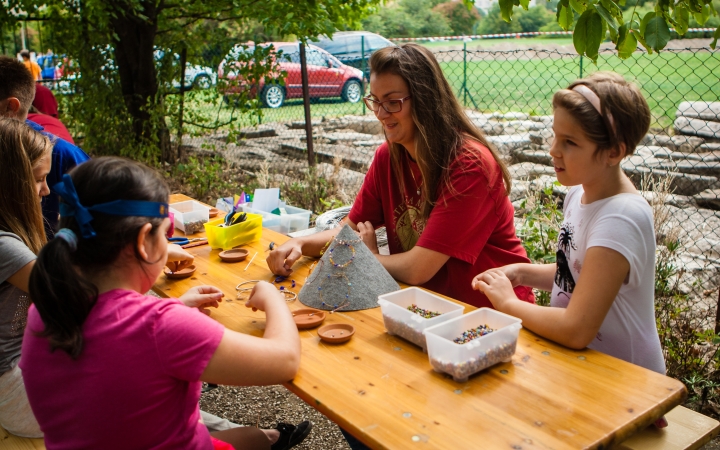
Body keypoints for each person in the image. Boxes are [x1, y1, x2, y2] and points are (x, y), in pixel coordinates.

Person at [21, 157, 312, 450]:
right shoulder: (161, 326)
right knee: (251, 439)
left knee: (253, 437)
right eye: (166, 232)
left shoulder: (45, 311)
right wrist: (274, 299)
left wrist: (176, 312)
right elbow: (285, 361)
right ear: (144, 239)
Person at [267, 44, 533, 308]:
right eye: (375, 101)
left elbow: (418, 269)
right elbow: (346, 232)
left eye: (393, 102)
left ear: (426, 99)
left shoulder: (470, 165)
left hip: (491, 313)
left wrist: (367, 257)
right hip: (426, 306)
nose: (381, 114)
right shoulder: (389, 156)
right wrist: (300, 243)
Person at [472, 73, 666, 377]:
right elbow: (577, 273)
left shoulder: (621, 217)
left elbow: (576, 329)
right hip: (585, 369)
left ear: (614, 152)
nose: (553, 150)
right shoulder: (580, 192)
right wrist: (520, 273)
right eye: (555, 135)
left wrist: (509, 303)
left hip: (628, 383)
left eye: (570, 142)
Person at [0, 118, 53, 438]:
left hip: (26, 367)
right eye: (38, 180)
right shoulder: (4, 246)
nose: (46, 190)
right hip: (15, 392)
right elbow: (78, 296)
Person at [0, 55, 90, 238]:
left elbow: (104, 218)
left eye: (42, 177)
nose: (46, 190)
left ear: (10, 107)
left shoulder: (60, 155)